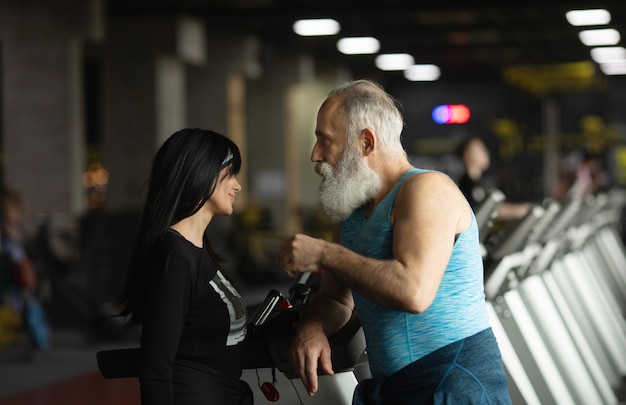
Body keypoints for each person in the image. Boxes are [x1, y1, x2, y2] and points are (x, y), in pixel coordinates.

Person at [277, 80, 512, 404]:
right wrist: (313, 325)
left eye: (325, 140)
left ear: (366, 142)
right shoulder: (350, 215)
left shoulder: (427, 189)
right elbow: (338, 300)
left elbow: (412, 291)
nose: (316, 154)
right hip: (396, 387)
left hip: (454, 381)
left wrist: (325, 253)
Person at [119, 128, 252, 405]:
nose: (237, 185)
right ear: (200, 174)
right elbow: (156, 367)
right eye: (230, 174)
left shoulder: (198, 250)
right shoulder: (174, 257)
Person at [0, 186, 52, 352]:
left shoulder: (10, 223)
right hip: (12, 269)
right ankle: (38, 339)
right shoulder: (9, 224)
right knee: (26, 303)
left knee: (27, 304)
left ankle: (39, 339)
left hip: (14, 269)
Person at [456, 135, 531, 221]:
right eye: (480, 149)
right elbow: (486, 210)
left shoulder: (478, 183)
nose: (486, 152)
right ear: (467, 155)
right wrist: (520, 211)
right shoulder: (466, 185)